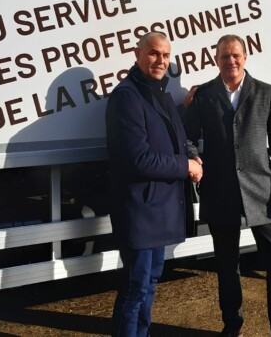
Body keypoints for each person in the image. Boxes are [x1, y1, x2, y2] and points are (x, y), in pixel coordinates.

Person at [184, 34, 271, 337]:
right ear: (216, 59)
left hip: (262, 191)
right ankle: (232, 326)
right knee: (226, 265)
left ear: (245, 57)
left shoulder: (266, 92)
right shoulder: (204, 95)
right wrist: (194, 157)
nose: (230, 61)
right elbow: (187, 136)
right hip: (220, 191)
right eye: (224, 56)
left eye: (236, 55)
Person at [106, 31, 203, 337]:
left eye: (165, 55)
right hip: (140, 211)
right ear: (137, 55)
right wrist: (185, 166)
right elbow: (139, 159)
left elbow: (173, 137)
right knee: (135, 288)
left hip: (157, 210)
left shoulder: (158, 93)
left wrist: (191, 154)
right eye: (153, 53)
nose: (160, 60)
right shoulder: (127, 96)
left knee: (148, 284)